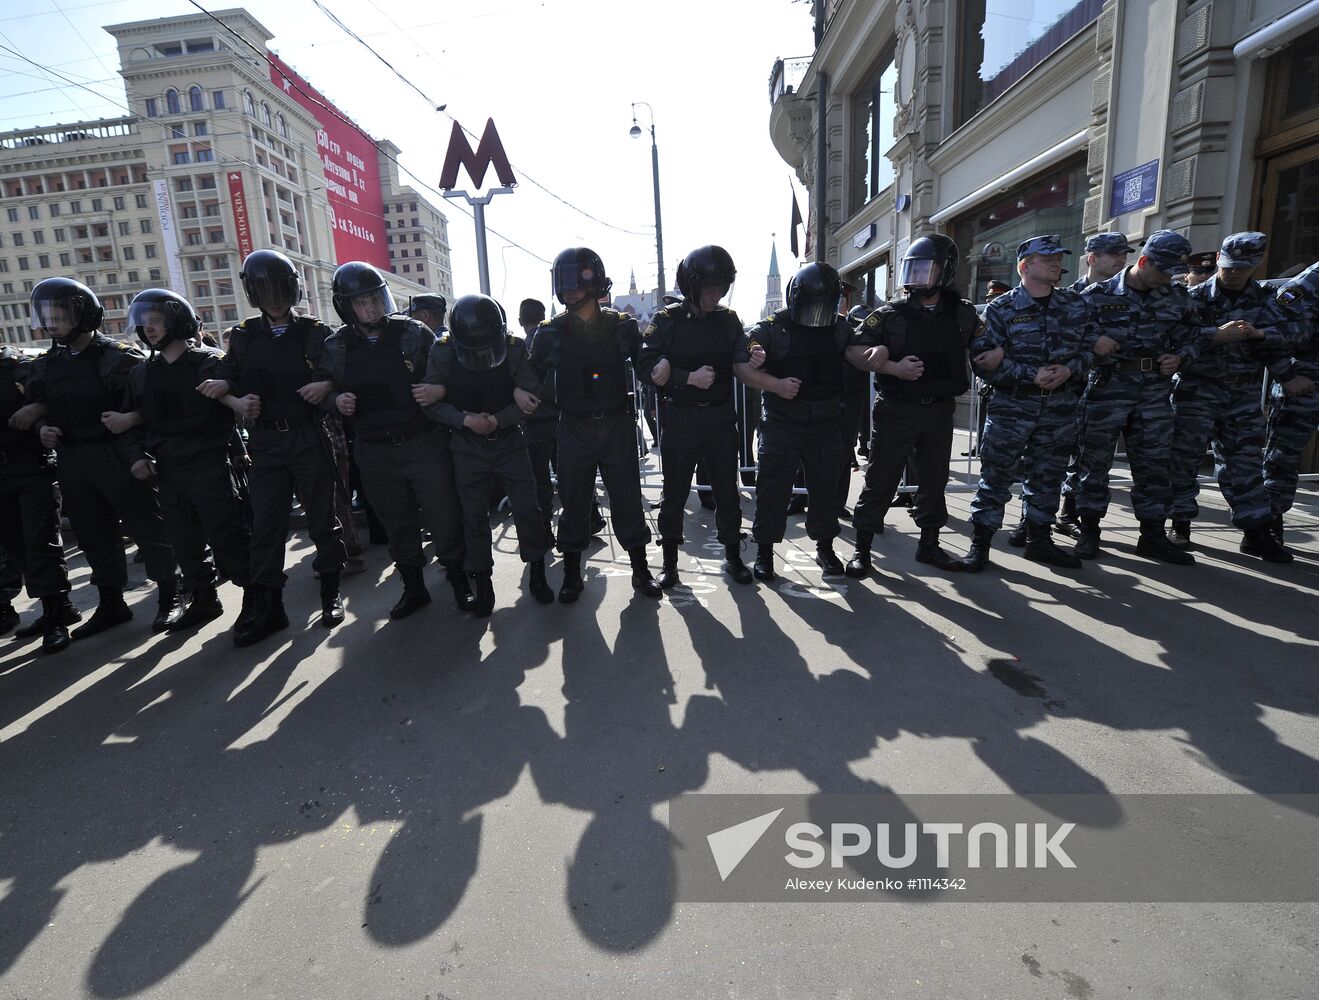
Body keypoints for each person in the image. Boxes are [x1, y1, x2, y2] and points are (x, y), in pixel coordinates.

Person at [200, 248, 347, 645]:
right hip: (265, 441)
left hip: (307, 434)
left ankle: (331, 592)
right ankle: (268, 605)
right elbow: (224, 376)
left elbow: (336, 371)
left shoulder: (314, 331)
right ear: (253, 293)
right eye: (263, 290)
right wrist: (233, 400)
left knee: (322, 519)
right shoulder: (245, 336)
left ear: (292, 289)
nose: (273, 297)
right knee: (265, 527)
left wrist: (326, 385)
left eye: (279, 288)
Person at [25, 277, 181, 637]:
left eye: (59, 316)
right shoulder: (49, 363)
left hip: (117, 453)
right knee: (94, 534)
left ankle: (171, 595)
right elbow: (41, 404)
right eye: (47, 316)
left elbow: (152, 403)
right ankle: (112, 602)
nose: (52, 323)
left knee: (148, 527)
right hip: (73, 458)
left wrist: (132, 426)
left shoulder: (117, 357)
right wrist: (42, 428)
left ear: (82, 314)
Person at [321, 262, 471, 620]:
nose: (370, 308)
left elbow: (448, 373)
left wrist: (439, 388)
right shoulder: (336, 346)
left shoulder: (414, 333)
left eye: (374, 298)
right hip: (374, 451)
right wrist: (335, 401)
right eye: (361, 302)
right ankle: (413, 586)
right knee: (396, 521)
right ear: (346, 306)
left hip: (422, 442)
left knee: (444, 515)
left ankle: (459, 579)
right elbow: (324, 387)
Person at [111, 289, 256, 631]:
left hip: (210, 466)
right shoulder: (142, 373)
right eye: (144, 323)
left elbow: (239, 398)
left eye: (156, 321)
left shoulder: (210, 362)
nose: (149, 329)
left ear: (177, 321)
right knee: (183, 540)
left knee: (228, 536)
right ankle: (204, 599)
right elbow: (130, 420)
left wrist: (230, 399)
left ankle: (255, 599)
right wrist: (135, 458)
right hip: (168, 470)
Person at [528, 247, 661, 602]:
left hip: (616, 425)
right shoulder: (550, 332)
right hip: (573, 427)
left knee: (627, 499)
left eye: (578, 280)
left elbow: (646, 363)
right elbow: (527, 375)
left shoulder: (622, 326)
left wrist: (661, 371)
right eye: (565, 282)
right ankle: (572, 572)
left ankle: (640, 570)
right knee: (574, 502)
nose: (570, 289)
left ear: (595, 280)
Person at [959, 236, 1099, 571]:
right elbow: (982, 361)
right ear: (1025, 266)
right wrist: (1030, 374)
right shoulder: (1001, 308)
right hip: (1012, 408)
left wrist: (1068, 369)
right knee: (996, 477)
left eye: (1057, 257)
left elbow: (1091, 350)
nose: (1055, 263)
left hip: (1059, 407)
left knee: (1047, 477)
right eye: (1045, 258)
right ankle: (980, 545)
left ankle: (1039, 540)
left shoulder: (1075, 305)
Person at [1071, 230, 1210, 564]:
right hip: (1107, 388)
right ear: (1143, 261)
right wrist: (1093, 343)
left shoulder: (1177, 297)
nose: (1166, 278)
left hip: (1153, 393)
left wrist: (1180, 357)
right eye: (1160, 270)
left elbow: (1195, 335)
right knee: (1094, 465)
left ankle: (1152, 536)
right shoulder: (1097, 295)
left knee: (1153, 467)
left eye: (1170, 273)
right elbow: (1071, 332)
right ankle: (1089, 531)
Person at [844, 234, 976, 576]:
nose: (916, 277)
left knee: (934, 480)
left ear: (944, 272)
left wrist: (995, 355)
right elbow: (855, 351)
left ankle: (929, 545)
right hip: (897, 409)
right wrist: (891, 366)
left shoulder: (962, 314)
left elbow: (986, 346)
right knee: (880, 479)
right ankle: (862, 550)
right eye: (912, 269)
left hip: (938, 411)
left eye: (925, 270)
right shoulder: (890, 314)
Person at [420, 294, 552, 615]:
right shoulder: (443, 351)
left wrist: (498, 419)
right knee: (474, 516)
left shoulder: (514, 348)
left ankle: (537, 570)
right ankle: (483, 580)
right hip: (467, 445)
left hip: (509, 440)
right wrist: (466, 420)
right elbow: (430, 401)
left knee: (527, 510)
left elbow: (531, 394)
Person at [1167, 233, 1296, 562]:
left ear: (1255, 265)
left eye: (1241, 267)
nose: (1233, 273)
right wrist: (1215, 336)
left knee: (1244, 464)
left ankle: (1254, 532)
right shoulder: (1193, 298)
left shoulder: (1266, 300)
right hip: (1197, 389)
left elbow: (1280, 341)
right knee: (1184, 459)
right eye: (1228, 267)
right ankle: (1179, 523)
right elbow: (1176, 342)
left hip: (1242, 393)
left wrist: (1287, 374)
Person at [636, 245, 755, 588]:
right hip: (681, 419)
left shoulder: (728, 320)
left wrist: (757, 355)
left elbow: (742, 353)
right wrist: (683, 377)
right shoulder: (666, 321)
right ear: (691, 286)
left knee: (726, 492)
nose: (716, 296)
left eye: (721, 289)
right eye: (710, 289)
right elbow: (646, 364)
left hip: (719, 419)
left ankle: (733, 556)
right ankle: (670, 563)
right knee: (674, 494)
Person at [734, 261, 858, 581]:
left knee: (824, 491)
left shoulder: (840, 327)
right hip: (782, 423)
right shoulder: (776, 326)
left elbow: (862, 347)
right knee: (772, 490)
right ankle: (764, 550)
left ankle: (825, 548)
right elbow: (749, 345)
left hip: (826, 423)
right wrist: (766, 370)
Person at [0, 343, 76, 653]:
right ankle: (60, 605)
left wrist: (39, 407)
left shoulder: (16, 365)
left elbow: (58, 397)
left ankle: (55, 617)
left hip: (30, 467)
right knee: (16, 545)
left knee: (40, 542)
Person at [1264, 261, 1319, 545]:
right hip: (1307, 380)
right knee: (1282, 456)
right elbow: (1272, 332)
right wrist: (1287, 375)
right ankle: (1269, 523)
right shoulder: (1309, 282)